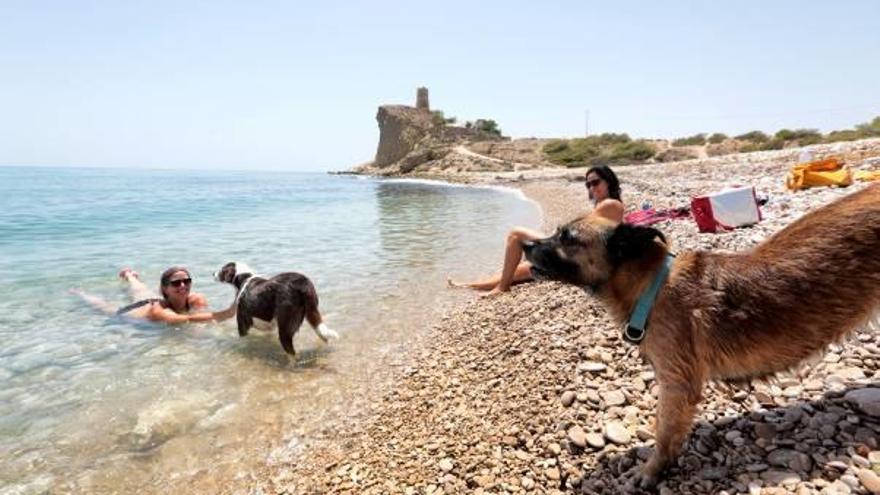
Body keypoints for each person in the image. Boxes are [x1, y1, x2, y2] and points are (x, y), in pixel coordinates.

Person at [448, 165, 625, 296]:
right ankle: (471, 285)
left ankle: (499, 287)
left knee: (516, 235)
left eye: (595, 182)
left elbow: (581, 231)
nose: (592, 188)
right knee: (523, 267)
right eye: (588, 185)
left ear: (608, 181)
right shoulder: (607, 205)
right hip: (579, 255)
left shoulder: (611, 204)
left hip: (579, 260)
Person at [72, 266, 236, 325]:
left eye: (186, 281)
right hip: (131, 312)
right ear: (165, 288)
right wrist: (227, 313)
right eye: (176, 283)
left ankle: (129, 275)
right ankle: (80, 293)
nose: (183, 285)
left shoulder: (196, 298)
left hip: (153, 299)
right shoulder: (158, 311)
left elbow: (202, 320)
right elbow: (188, 320)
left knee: (139, 289)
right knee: (104, 306)